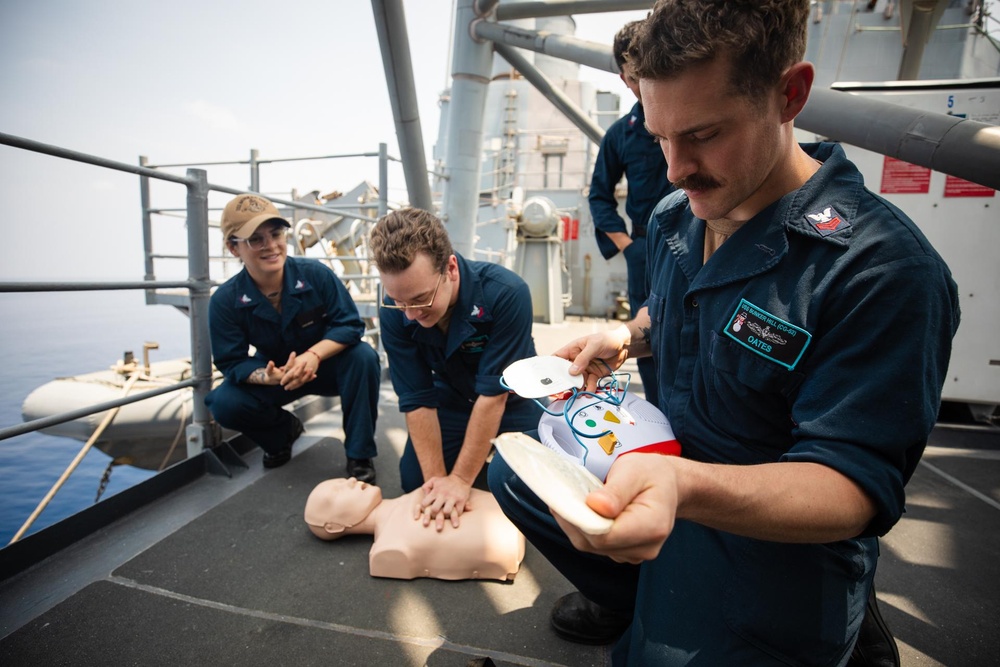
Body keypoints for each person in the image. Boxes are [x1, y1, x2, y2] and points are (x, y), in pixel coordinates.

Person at [488, 1, 960, 665]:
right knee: (512, 472)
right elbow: (688, 307)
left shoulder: (880, 269)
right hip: (674, 490)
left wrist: (683, 487)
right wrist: (630, 336)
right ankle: (639, 597)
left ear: (789, 94)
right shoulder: (676, 219)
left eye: (704, 135)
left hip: (777, 551)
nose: (676, 168)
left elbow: (853, 485)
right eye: (660, 138)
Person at [368, 208, 542, 529]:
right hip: (451, 398)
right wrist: (437, 485)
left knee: (527, 486)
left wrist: (460, 480)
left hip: (511, 401)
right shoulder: (397, 306)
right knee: (415, 481)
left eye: (420, 299)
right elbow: (417, 398)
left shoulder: (506, 294)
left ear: (450, 268)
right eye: (399, 301)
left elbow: (493, 397)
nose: (409, 314)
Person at [205, 193, 380, 482]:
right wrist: (268, 376)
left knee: (363, 357)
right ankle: (281, 435)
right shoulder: (225, 300)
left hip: (325, 367)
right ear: (233, 248)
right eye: (255, 239)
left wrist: (314, 356)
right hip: (278, 375)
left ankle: (359, 455)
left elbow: (349, 325)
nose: (271, 245)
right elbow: (231, 361)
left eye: (275, 234)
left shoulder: (316, 275)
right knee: (224, 402)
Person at [588, 19, 675, 408]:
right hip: (646, 249)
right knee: (648, 339)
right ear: (625, 78)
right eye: (639, 74)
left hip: (707, 235)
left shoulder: (687, 113)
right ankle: (661, 419)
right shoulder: (620, 134)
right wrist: (629, 247)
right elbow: (599, 196)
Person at [304, 477, 525, 581]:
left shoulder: (418, 493)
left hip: (509, 520)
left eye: (342, 480)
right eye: (337, 492)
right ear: (334, 526)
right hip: (508, 536)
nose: (351, 479)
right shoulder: (388, 548)